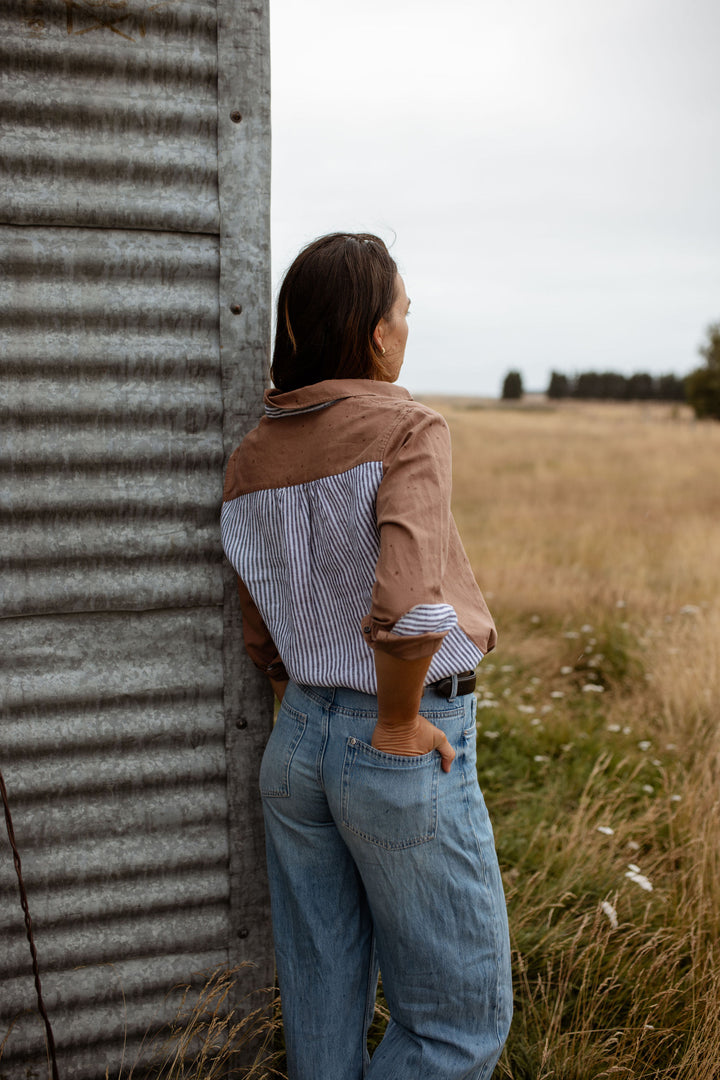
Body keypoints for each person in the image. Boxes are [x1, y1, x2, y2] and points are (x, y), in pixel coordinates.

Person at [221, 233, 512, 1080]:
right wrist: (393, 719)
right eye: (404, 312)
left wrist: (321, 708)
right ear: (375, 333)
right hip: (397, 737)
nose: (408, 327)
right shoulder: (408, 427)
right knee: (456, 1027)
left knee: (320, 1009)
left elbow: (260, 636)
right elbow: (410, 606)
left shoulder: (249, 460)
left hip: (299, 740)